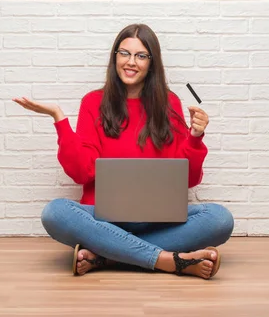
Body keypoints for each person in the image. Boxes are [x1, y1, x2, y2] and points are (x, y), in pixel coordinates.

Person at [13, 23, 234, 279]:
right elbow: (81, 172)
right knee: (55, 212)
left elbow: (189, 179)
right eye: (124, 53)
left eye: (141, 56)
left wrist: (195, 138)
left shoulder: (170, 103)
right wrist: (59, 118)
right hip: (104, 218)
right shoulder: (93, 102)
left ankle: (106, 254)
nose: (131, 62)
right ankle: (166, 260)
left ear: (152, 63)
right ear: (114, 56)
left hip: (158, 219)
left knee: (220, 219)